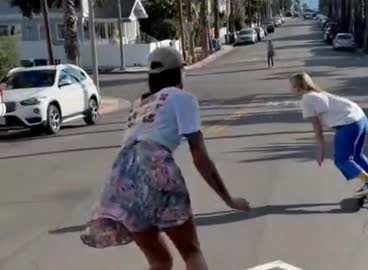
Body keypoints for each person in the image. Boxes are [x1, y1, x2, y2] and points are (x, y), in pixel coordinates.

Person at [80, 47, 250, 270]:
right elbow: (199, 155)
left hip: (121, 178)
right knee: (191, 253)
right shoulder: (182, 98)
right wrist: (229, 199)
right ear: (178, 72)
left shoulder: (139, 105)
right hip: (154, 166)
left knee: (159, 261)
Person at [289, 72, 368, 195]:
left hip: (349, 124)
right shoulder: (319, 93)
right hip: (361, 118)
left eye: (291, 86)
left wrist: (321, 151)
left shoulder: (306, 100)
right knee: (356, 155)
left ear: (297, 87)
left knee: (342, 160)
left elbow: (318, 129)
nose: (290, 89)